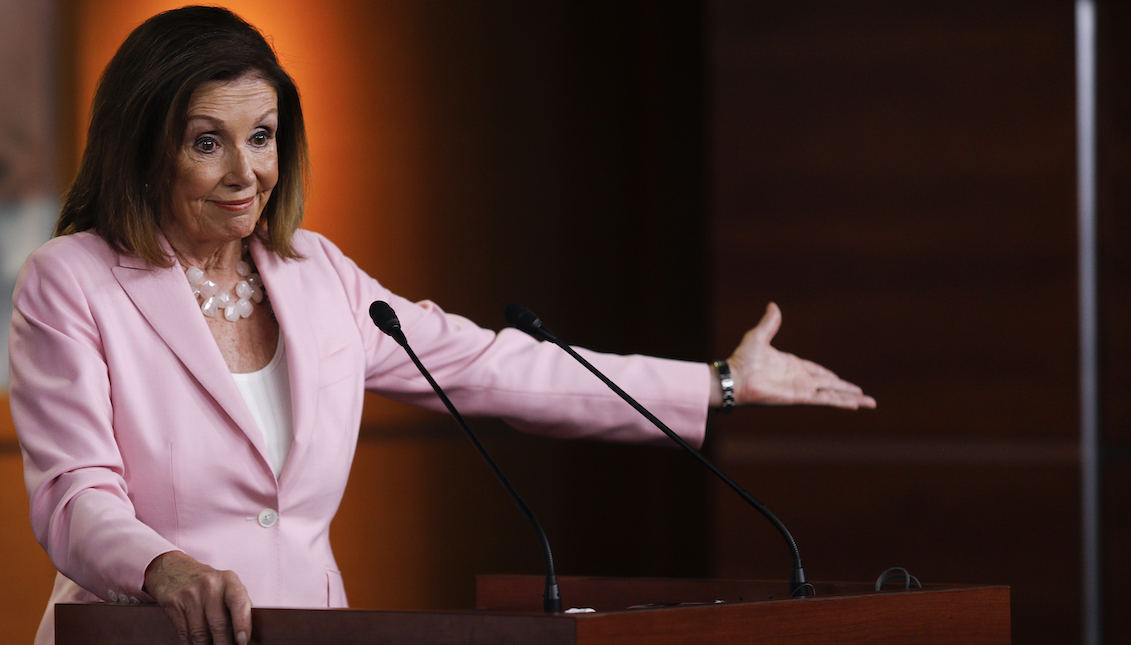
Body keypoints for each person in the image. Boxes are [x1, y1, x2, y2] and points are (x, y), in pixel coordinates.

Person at [8, 7, 875, 645]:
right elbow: (74, 493)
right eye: (207, 141)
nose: (246, 172)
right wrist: (165, 567)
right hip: (137, 634)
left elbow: (496, 368)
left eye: (263, 136)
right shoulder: (71, 280)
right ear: (142, 144)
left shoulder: (320, 277)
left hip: (305, 635)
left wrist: (718, 381)